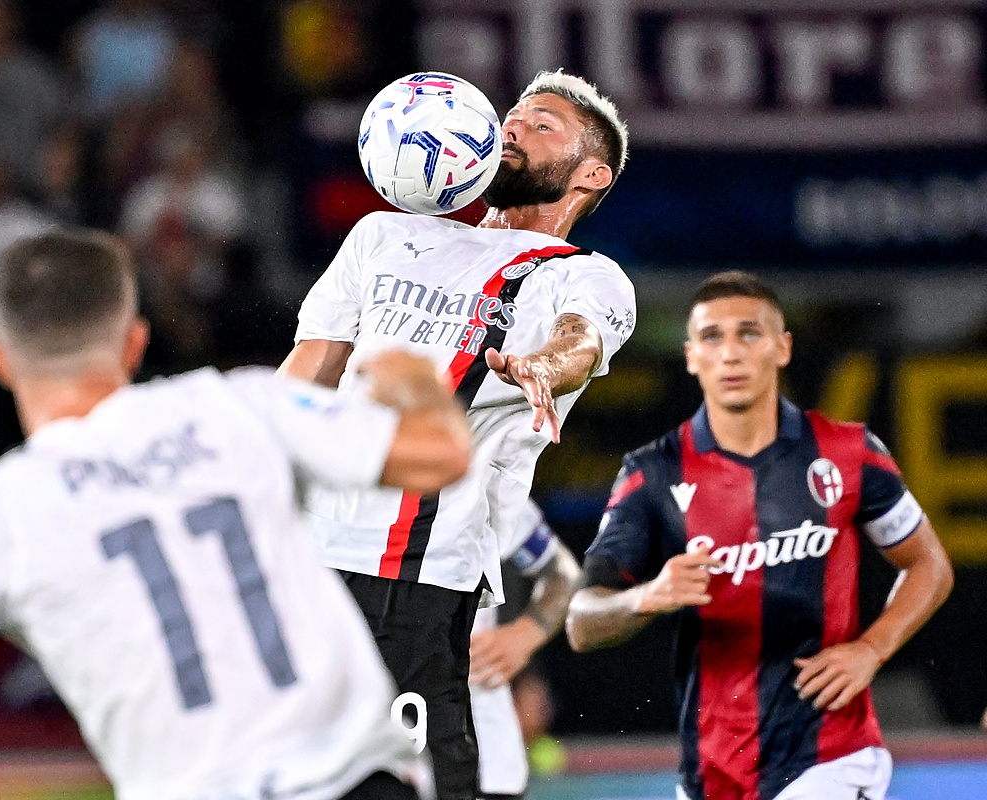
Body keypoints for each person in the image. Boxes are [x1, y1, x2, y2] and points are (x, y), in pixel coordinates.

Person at [0, 230, 477, 800]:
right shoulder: (240, 404)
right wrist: (415, 379)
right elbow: (442, 457)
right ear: (134, 343)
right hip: (357, 780)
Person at [280, 69, 636, 799]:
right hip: (304, 557)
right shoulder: (383, 234)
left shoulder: (584, 277)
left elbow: (580, 341)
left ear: (591, 174)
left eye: (542, 125)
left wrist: (541, 366)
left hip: (414, 574)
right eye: (512, 117)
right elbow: (306, 373)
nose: (513, 129)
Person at [565, 271, 954, 800]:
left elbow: (928, 564)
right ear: (691, 357)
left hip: (831, 757)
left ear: (783, 348)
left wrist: (871, 649)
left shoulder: (848, 453)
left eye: (749, 333)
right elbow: (582, 621)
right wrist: (645, 597)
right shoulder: (652, 473)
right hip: (710, 773)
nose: (731, 353)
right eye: (712, 337)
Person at [468, 500, 581, 800]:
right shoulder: (351, 492)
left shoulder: (491, 488)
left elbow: (561, 572)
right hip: (374, 743)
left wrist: (523, 637)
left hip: (486, 754)